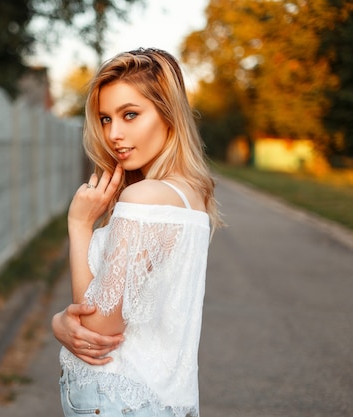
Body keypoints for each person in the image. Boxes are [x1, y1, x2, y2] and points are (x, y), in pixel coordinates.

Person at [53, 47, 223, 417]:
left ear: (168, 114)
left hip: (117, 399)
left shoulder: (144, 198)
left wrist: (79, 226)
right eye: (105, 118)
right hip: (156, 400)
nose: (114, 134)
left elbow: (97, 328)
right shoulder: (190, 194)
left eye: (130, 114)